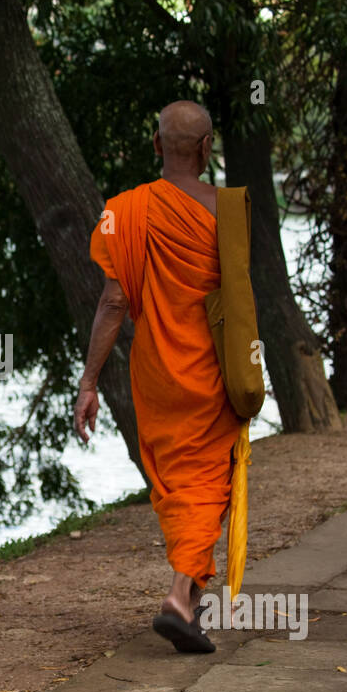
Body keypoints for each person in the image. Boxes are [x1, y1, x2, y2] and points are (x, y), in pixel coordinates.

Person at [73, 100, 240, 653]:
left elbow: (114, 299)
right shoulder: (228, 211)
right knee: (208, 483)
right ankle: (176, 597)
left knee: (178, 483)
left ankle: (188, 609)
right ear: (208, 146)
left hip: (156, 372)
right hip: (211, 369)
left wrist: (90, 381)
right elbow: (238, 303)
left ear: (155, 144)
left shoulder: (126, 210)